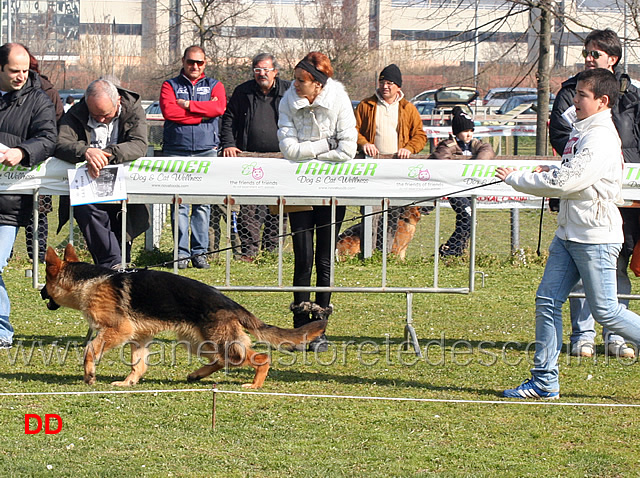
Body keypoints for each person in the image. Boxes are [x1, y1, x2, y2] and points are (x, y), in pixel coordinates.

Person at [498, 68, 640, 400]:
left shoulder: (601, 137)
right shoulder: (583, 131)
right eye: (576, 94)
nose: (574, 101)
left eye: (581, 96)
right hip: (568, 234)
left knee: (606, 311)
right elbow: (570, 172)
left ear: (602, 101)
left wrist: (517, 179)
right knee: (547, 301)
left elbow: (568, 183)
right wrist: (548, 170)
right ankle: (544, 381)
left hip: (596, 237)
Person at [549, 28, 640, 359]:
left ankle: (616, 338)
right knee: (564, 285)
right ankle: (582, 337)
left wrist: (611, 165)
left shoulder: (631, 98)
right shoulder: (572, 92)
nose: (589, 58)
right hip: (578, 197)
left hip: (618, 199)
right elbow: (560, 133)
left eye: (596, 54)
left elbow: (635, 141)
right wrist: (582, 166)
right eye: (587, 52)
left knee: (616, 274)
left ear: (612, 59)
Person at [278, 51, 357, 351]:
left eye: (302, 81)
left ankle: (319, 329)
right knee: (302, 256)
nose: (295, 85)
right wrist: (326, 144)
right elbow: (288, 150)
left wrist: (308, 153)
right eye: (295, 79)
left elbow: (347, 150)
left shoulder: (339, 100)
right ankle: (299, 328)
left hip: (332, 188)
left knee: (324, 257)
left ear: (319, 84)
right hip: (298, 188)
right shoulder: (288, 101)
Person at [55, 78, 149, 269]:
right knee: (87, 213)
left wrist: (106, 155)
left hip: (124, 188)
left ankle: (116, 270)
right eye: (94, 114)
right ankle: (114, 267)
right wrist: (86, 152)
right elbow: (60, 143)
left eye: (105, 115)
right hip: (87, 187)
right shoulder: (76, 112)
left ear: (118, 102)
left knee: (121, 233)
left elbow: (139, 144)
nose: (99, 119)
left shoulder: (133, 110)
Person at [0, 42, 57, 349]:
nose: (21, 76)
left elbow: (48, 138)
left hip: (7, 203)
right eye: (14, 71)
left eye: (24, 71)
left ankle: (2, 331)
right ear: (0, 69)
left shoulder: (38, 100)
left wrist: (22, 152)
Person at [160, 45, 227, 269]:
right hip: (175, 150)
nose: (195, 66)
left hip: (206, 150)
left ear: (205, 63)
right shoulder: (170, 85)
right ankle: (181, 254)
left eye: (199, 62)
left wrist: (188, 106)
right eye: (191, 62)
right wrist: (201, 115)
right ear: (183, 61)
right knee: (179, 204)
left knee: (202, 204)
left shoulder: (215, 85)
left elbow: (218, 109)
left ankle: (200, 252)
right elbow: (170, 112)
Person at [220, 52, 290, 262]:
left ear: (275, 72)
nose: (261, 74)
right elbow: (228, 120)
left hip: (281, 158)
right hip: (248, 158)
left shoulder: (288, 91)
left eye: (266, 70)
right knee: (249, 208)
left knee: (277, 206)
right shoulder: (243, 92)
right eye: (257, 70)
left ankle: (272, 251)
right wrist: (229, 144)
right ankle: (249, 251)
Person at [355, 64, 427, 252]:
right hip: (371, 168)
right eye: (382, 82)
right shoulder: (366, 106)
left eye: (389, 83)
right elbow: (353, 131)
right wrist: (364, 144)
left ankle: (385, 253)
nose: (385, 86)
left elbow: (420, 135)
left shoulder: (408, 109)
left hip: (396, 170)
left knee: (392, 213)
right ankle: (368, 254)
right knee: (371, 212)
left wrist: (409, 148)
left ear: (398, 87)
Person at [430, 106, 494, 257]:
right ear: (456, 132)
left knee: (466, 220)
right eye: (465, 131)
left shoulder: (475, 145)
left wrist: (476, 165)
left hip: (468, 189)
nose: (469, 134)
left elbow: (488, 150)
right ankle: (449, 249)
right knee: (469, 218)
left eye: (471, 131)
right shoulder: (448, 145)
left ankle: (457, 250)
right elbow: (441, 158)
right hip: (454, 189)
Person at [24, 53, 64, 264]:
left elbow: (56, 125)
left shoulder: (47, 91)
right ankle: (19, 253)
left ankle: (38, 254)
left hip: (39, 160)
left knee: (38, 210)